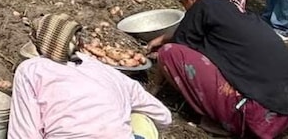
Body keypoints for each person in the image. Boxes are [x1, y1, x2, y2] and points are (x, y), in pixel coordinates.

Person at [148, 0, 288, 138]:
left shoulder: (202, 6)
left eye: (183, 4)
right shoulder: (240, 14)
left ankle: (223, 121)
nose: (186, 12)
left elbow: (179, 47)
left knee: (169, 53)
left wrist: (155, 84)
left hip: (258, 116)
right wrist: (164, 37)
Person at [9, 13, 171, 138]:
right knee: (141, 121)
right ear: (78, 42)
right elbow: (163, 116)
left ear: (39, 44)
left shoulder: (30, 70)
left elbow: (23, 134)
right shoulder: (104, 70)